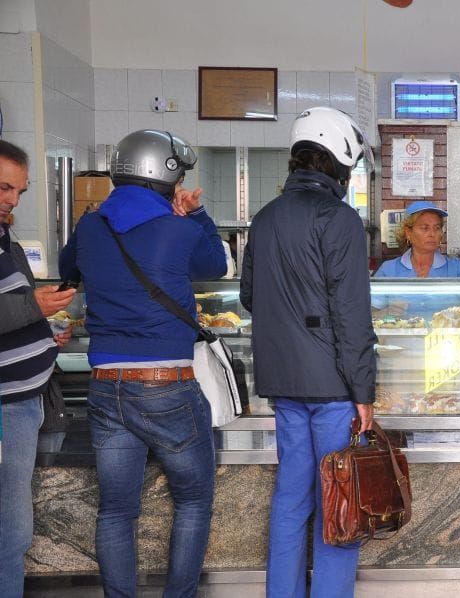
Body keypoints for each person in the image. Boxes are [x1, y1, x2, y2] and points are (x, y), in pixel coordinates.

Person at [58, 129, 226, 598]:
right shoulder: (179, 228)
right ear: (166, 176)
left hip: (105, 385)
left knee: (116, 510)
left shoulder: (92, 225)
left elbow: (69, 266)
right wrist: (197, 213)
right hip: (165, 384)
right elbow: (216, 266)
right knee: (193, 500)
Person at [239, 107, 377, 598]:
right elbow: (352, 316)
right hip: (333, 388)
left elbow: (248, 298)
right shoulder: (339, 219)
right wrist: (365, 394)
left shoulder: (265, 217)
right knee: (340, 498)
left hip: (282, 383)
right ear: (339, 160)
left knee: (291, 499)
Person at [0, 139, 75, 598]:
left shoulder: (5, 237)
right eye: (4, 188)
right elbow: (19, 307)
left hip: (24, 404)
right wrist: (34, 306)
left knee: (14, 531)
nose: (12, 201)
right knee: (11, 532)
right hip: (5, 409)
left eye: (19, 192)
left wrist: (44, 332)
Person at [373, 200, 460, 277]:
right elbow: (375, 304)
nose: (432, 234)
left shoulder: (458, 269)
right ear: (408, 233)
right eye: (424, 228)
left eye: (437, 228)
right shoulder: (388, 270)